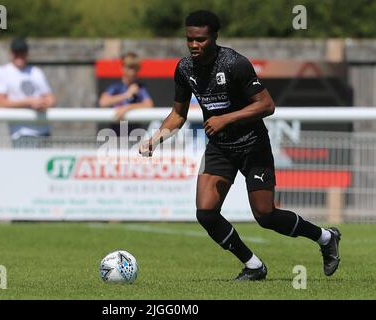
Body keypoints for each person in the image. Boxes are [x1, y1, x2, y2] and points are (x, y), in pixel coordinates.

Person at [139, 10, 341, 281]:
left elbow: (267, 105)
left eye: (201, 39)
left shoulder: (234, 63)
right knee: (206, 213)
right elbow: (178, 114)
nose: (194, 45)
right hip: (220, 148)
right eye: (190, 39)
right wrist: (155, 139)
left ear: (214, 37)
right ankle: (254, 266)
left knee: (265, 215)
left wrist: (225, 118)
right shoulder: (185, 68)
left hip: (252, 145)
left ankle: (326, 237)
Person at [0, 37, 56, 147]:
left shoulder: (36, 72)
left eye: (22, 52)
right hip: (22, 133)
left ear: (27, 53)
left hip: (44, 132)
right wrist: (29, 102)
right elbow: (0, 102)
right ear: (11, 53)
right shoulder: (2, 72)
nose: (19, 55)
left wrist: (41, 104)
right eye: (17, 52)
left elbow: (51, 99)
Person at [98, 52, 154, 136]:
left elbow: (149, 105)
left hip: (134, 135)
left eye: (135, 68)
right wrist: (126, 95)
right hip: (116, 135)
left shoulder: (139, 88)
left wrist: (128, 108)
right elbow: (103, 102)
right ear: (122, 68)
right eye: (129, 67)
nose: (132, 72)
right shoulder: (116, 87)